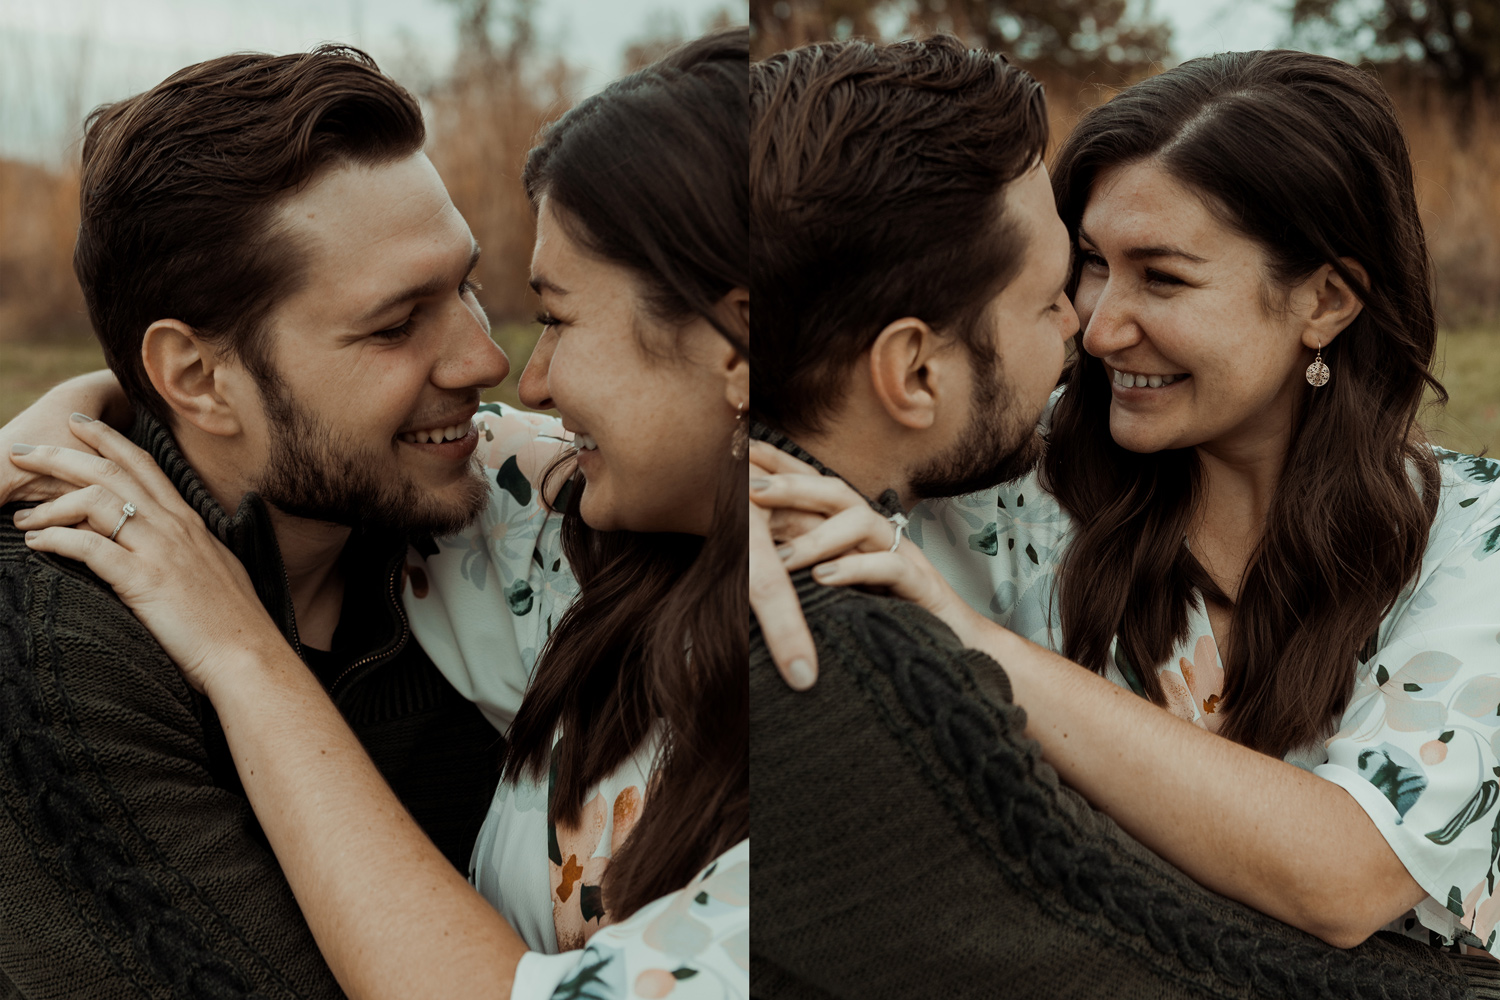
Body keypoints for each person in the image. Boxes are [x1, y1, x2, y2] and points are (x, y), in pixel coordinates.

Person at [745, 36, 1500, 998]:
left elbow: (1344, 875)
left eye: (1164, 277)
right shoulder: (1007, 479)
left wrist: (971, 642)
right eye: (1091, 263)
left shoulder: (1476, 540)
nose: (1096, 328)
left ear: (1327, 299)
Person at [4, 28, 749, 1000]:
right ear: (193, 375)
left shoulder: (488, 528)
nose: (491, 362)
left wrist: (242, 648)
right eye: (398, 322)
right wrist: (78, 418)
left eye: (469, 287)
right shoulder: (58, 647)